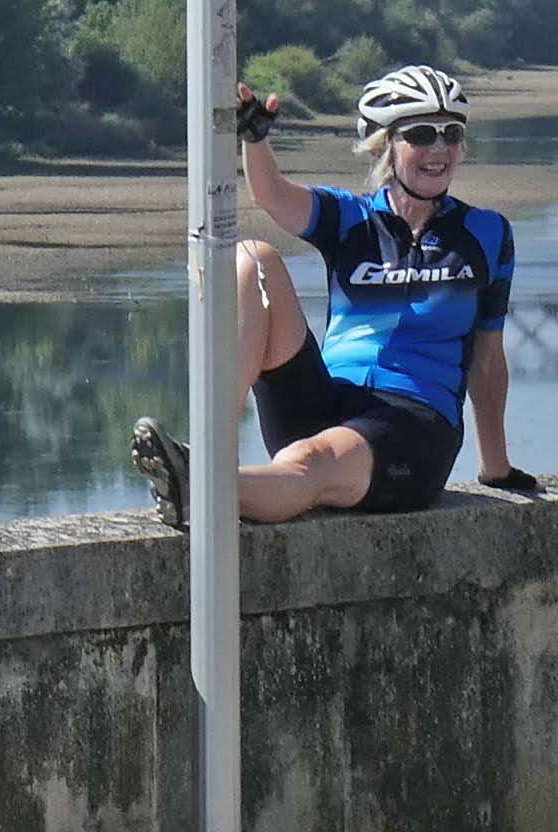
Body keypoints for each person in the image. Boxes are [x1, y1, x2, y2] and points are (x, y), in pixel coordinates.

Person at [129, 62, 537, 524]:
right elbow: (273, 196)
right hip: (327, 396)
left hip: (414, 424)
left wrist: (496, 468)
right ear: (385, 146)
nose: (439, 148)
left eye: (452, 134)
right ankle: (209, 449)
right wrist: (255, 139)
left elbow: (487, 360)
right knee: (253, 259)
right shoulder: (352, 218)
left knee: (312, 460)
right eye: (421, 134)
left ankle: (196, 488)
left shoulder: (486, 233)